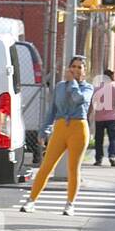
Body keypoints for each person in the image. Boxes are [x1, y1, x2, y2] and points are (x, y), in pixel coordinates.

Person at [20, 55, 94, 216]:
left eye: (79, 67)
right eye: (73, 66)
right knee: (46, 166)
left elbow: (78, 99)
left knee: (73, 168)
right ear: (69, 68)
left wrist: (73, 83)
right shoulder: (60, 87)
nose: (75, 69)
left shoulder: (87, 88)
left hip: (78, 128)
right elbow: (52, 110)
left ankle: (70, 204)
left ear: (84, 71)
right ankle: (31, 201)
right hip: (60, 127)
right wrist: (44, 130)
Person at [90, 67, 115, 166]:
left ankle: (98, 159)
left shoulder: (96, 90)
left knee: (99, 139)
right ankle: (112, 156)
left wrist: (90, 114)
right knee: (113, 138)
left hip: (99, 118)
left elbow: (92, 103)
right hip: (111, 118)